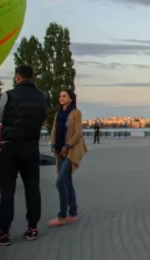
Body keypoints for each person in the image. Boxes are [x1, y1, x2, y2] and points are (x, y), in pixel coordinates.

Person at [0, 65, 48, 245]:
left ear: (18, 78)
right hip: (31, 148)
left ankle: (3, 233)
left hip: (10, 148)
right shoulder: (43, 97)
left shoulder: (8, 95)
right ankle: (32, 229)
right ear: (32, 77)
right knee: (32, 189)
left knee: (7, 191)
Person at [48, 89, 88, 227]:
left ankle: (62, 216)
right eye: (59, 96)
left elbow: (77, 134)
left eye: (64, 96)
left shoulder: (75, 113)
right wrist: (53, 145)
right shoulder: (58, 114)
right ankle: (73, 213)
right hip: (60, 152)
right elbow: (53, 130)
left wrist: (67, 146)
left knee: (60, 182)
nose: (61, 98)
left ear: (71, 98)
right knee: (67, 182)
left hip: (70, 152)